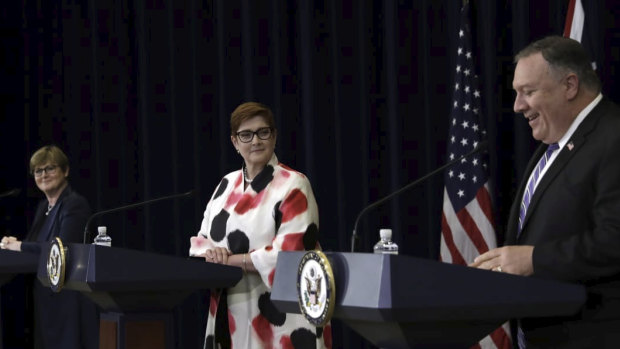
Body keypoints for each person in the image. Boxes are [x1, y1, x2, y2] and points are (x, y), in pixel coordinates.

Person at [470, 36, 620, 348]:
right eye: (516, 93)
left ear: (570, 85)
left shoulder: (613, 137)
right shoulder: (552, 146)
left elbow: (614, 239)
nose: (517, 105)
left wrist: (535, 259)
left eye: (528, 91)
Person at [189, 102, 331, 349]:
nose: (255, 141)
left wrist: (229, 261)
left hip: (282, 316)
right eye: (246, 135)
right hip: (231, 311)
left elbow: (291, 254)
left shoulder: (293, 184)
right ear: (234, 142)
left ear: (274, 136)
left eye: (263, 132)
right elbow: (200, 241)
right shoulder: (226, 184)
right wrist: (211, 254)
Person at [1, 145, 99, 349]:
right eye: (38, 170)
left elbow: (60, 250)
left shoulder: (74, 204)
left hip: (69, 301)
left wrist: (19, 246)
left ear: (66, 171)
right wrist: (12, 244)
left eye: (50, 168)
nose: (44, 174)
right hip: (47, 301)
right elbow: (34, 247)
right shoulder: (43, 207)